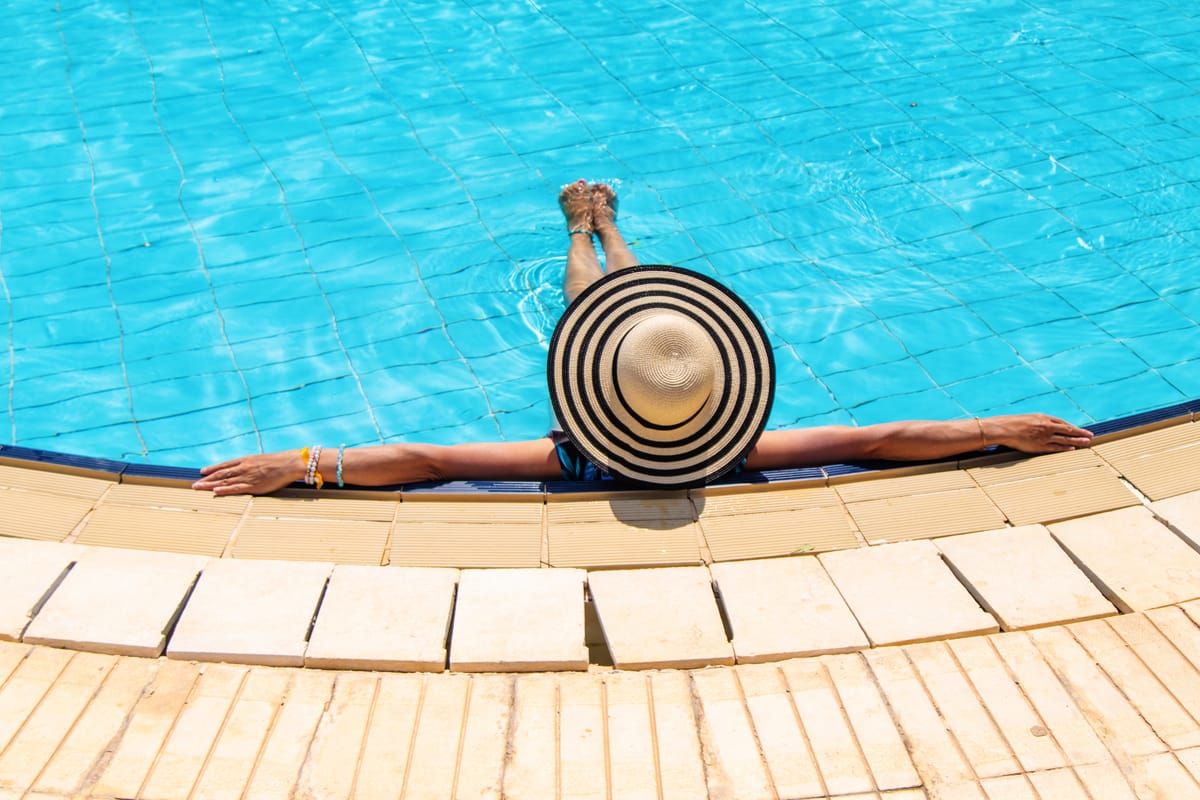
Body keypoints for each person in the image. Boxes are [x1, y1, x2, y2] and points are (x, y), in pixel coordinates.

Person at [192, 181, 1094, 496]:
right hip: (659, 391)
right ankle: (608, 230)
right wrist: (992, 427)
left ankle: (585, 232)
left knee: (609, 323)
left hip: (616, 382)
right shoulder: (729, 455)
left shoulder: (574, 464)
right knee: (645, 328)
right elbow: (872, 442)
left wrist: (305, 466)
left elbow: (425, 460)